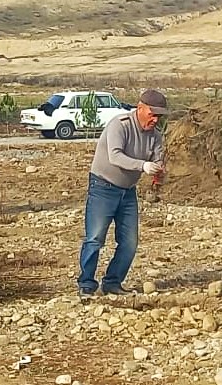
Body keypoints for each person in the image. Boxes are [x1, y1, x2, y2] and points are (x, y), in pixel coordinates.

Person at [77, 89, 167, 298]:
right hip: (102, 187)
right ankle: (86, 285)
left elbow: (159, 159)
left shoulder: (156, 137)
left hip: (127, 192)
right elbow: (115, 155)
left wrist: (159, 171)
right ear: (140, 108)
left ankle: (112, 283)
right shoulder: (120, 124)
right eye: (152, 114)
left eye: (159, 116)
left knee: (129, 242)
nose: (155, 120)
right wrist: (143, 166)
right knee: (95, 237)